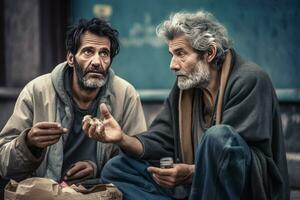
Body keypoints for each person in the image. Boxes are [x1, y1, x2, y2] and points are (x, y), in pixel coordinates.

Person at [83, 11, 289, 200]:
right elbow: (162, 137)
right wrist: (122, 139)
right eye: (172, 54)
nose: (172, 64)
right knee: (117, 169)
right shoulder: (187, 86)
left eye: (181, 54)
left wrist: (191, 172)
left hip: (247, 189)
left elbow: (229, 155)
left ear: (209, 53)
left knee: (218, 138)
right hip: (195, 188)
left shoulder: (250, 79)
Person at [0, 18, 147, 186]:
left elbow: (139, 161)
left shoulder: (126, 95)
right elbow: (4, 165)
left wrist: (97, 168)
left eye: (104, 53)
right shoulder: (36, 91)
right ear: (71, 58)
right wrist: (29, 143)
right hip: (45, 194)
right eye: (88, 52)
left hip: (100, 193)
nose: (97, 62)